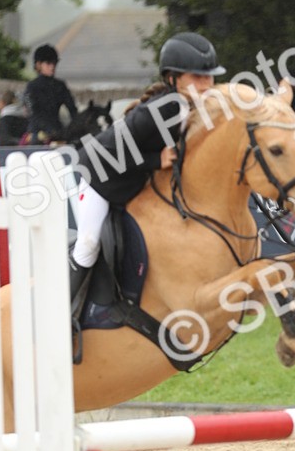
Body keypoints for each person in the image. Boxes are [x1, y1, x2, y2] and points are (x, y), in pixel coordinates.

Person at [68, 31, 226, 305]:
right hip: (98, 176)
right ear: (172, 79)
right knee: (89, 243)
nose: (205, 85)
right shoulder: (157, 111)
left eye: (209, 77)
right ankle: (64, 313)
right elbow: (109, 152)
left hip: (132, 181)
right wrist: (156, 160)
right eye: (196, 77)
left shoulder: (197, 108)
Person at [23, 44, 78, 144]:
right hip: (37, 132)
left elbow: (73, 110)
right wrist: (50, 129)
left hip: (57, 131)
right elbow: (32, 113)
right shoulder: (31, 87)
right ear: (39, 65)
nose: (52, 67)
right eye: (48, 63)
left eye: (54, 63)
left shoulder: (60, 86)